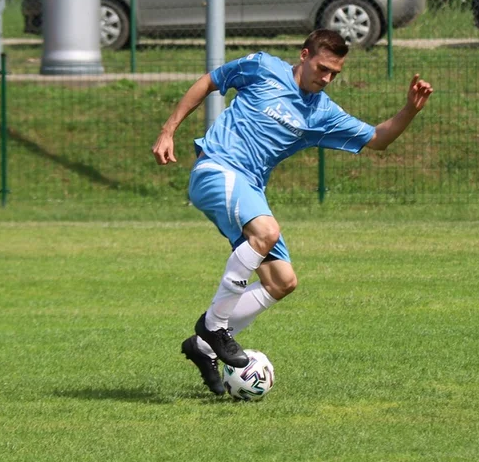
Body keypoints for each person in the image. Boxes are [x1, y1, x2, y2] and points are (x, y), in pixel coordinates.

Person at [151, 29, 433, 395]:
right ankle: (215, 328)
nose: (327, 78)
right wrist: (168, 129)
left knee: (281, 281)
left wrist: (410, 109)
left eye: (335, 73)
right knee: (265, 232)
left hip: (248, 189)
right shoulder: (263, 67)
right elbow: (210, 81)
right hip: (216, 168)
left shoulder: (322, 112)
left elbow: (378, 138)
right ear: (304, 55)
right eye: (322, 67)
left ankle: (203, 346)